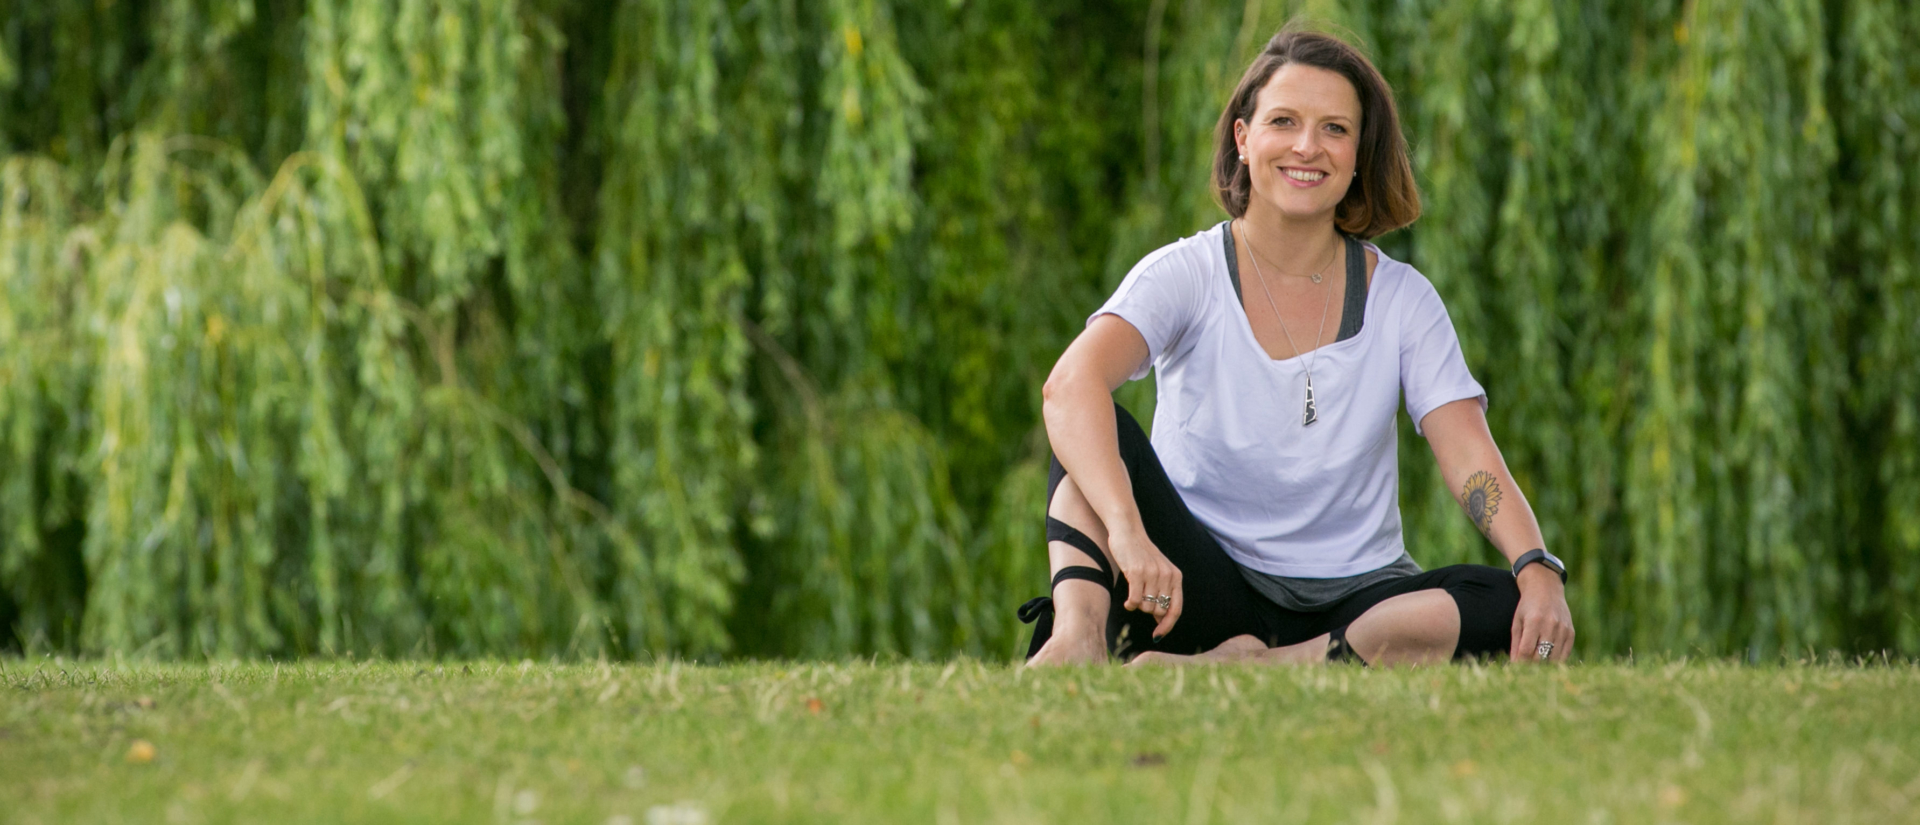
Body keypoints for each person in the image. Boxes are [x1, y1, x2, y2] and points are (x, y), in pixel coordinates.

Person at [1020, 26, 1574, 668]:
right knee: (1093, 428)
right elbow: (1066, 390)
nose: (1307, 147)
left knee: (1497, 601)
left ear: (1361, 152)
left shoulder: (1404, 299)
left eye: (1335, 129)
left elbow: (1469, 457)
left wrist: (1536, 567)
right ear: (1244, 138)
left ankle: (1263, 667)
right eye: (1284, 121)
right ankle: (1078, 640)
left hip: (1357, 601)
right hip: (1196, 591)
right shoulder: (1185, 274)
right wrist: (1130, 535)